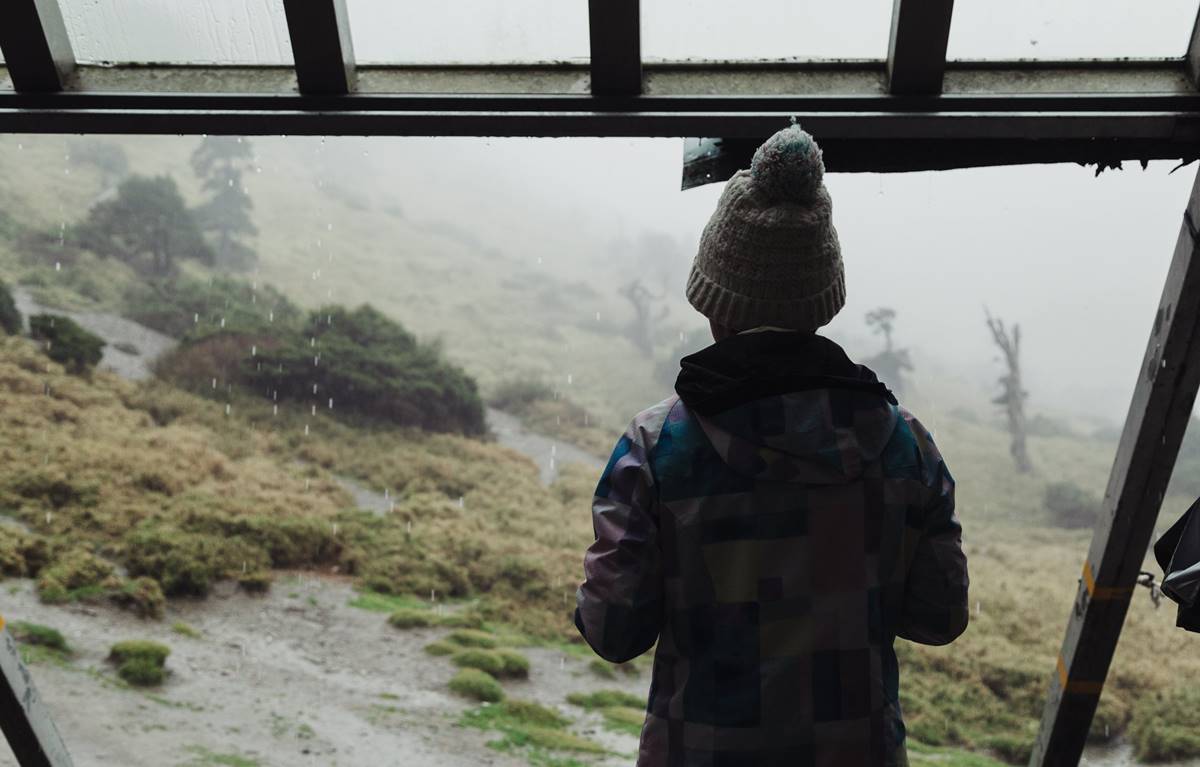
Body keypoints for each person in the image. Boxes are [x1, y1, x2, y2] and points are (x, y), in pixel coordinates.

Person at [574, 125, 970, 767]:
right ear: (823, 300)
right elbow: (938, 617)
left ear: (714, 300)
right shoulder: (906, 444)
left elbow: (613, 630)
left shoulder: (656, 444)